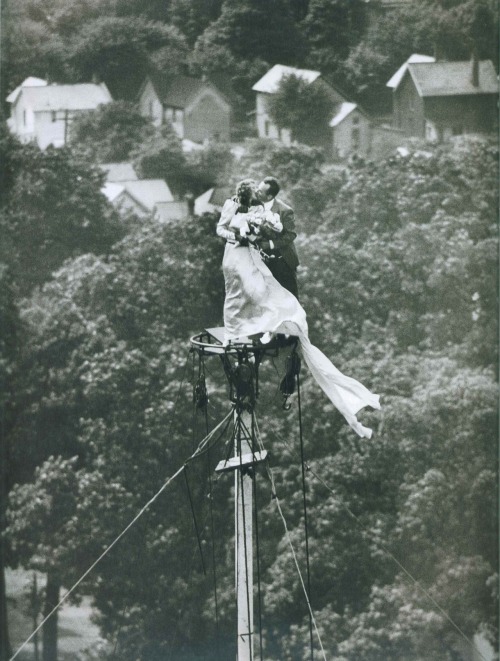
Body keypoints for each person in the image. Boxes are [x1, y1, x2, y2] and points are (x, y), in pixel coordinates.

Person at [217, 179, 380, 439]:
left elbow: (284, 233)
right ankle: (243, 326)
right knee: (240, 293)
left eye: (258, 194)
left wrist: (260, 236)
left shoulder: (272, 210)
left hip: (271, 260)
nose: (255, 197)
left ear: (264, 195)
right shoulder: (234, 206)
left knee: (268, 292)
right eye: (252, 194)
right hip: (237, 255)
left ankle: (279, 324)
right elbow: (222, 229)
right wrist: (239, 235)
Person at [255, 176, 299, 298]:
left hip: (282, 260)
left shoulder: (285, 210)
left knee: (288, 299)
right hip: (260, 260)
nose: (256, 192)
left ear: (269, 196)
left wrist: (271, 244)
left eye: (260, 191)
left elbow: (291, 234)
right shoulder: (253, 206)